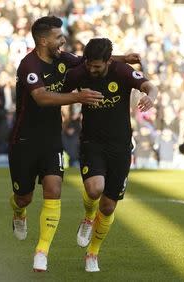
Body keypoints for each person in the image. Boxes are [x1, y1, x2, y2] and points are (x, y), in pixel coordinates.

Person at [8, 16, 140, 272]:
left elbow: (86, 62)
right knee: (23, 197)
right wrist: (76, 97)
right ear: (44, 40)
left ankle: (41, 252)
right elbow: (42, 97)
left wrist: (122, 59)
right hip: (24, 140)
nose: (63, 40)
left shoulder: (61, 58)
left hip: (51, 139)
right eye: (58, 36)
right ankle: (18, 212)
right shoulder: (29, 66)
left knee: (54, 189)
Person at [63, 38, 158, 272]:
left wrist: (150, 97)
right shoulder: (81, 72)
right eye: (89, 65)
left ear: (107, 61)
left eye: (97, 66)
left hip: (120, 146)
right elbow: (59, 89)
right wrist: (75, 97)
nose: (92, 70)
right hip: (92, 142)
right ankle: (87, 218)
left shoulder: (122, 71)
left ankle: (92, 253)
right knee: (94, 189)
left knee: (107, 207)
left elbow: (149, 86)